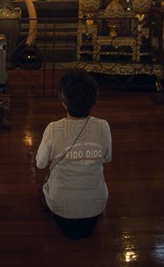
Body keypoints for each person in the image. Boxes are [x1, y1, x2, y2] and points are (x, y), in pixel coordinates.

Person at [36, 69, 112, 240]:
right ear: (94, 102)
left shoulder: (53, 129)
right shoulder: (103, 126)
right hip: (96, 206)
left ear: (63, 101)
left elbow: (40, 164)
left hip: (60, 208)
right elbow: (107, 158)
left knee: (43, 186)